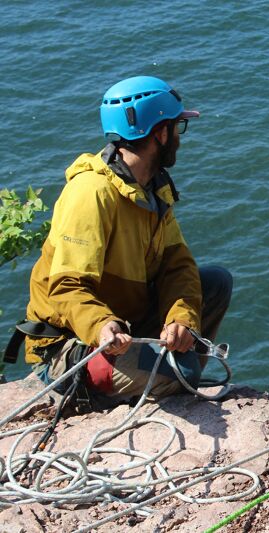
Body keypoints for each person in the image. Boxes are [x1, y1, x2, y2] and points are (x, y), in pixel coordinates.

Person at [20, 75, 232, 407]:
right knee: (183, 373)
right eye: (176, 128)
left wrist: (180, 319)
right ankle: (94, 394)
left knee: (216, 282)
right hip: (77, 340)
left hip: (126, 321)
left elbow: (177, 267)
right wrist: (101, 325)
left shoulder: (153, 189)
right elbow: (65, 287)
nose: (178, 137)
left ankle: (170, 373)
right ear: (159, 133)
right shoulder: (91, 194)